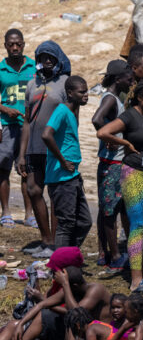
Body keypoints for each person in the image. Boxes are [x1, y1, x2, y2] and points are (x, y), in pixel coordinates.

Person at [97, 78, 143, 292]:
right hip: (135, 175)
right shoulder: (130, 115)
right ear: (140, 98)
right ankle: (136, 280)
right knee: (138, 225)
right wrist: (125, 143)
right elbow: (103, 132)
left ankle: (137, 265)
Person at [18, 41, 71, 259]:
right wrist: (22, 154)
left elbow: (71, 118)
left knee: (56, 194)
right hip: (34, 148)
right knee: (33, 190)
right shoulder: (32, 84)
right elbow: (28, 122)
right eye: (42, 57)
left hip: (56, 149)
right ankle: (46, 240)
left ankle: (56, 245)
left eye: (51, 57)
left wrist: (68, 149)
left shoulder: (66, 83)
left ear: (58, 59)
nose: (47, 61)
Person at [0, 265, 111, 340]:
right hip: (80, 331)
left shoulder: (96, 289)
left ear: (74, 286)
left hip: (99, 332)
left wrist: (66, 285)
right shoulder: (70, 289)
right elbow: (42, 304)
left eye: (64, 285)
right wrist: (21, 323)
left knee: (72, 321)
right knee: (43, 314)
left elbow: (77, 314)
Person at [91, 60, 134, 269]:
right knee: (110, 211)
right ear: (118, 79)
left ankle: (106, 252)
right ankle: (116, 256)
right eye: (128, 78)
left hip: (112, 162)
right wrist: (110, 137)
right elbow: (96, 119)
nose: (131, 81)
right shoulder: (110, 99)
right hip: (112, 163)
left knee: (109, 209)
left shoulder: (114, 98)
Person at [41, 75, 92, 249]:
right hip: (61, 177)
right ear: (70, 93)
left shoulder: (71, 112)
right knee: (66, 223)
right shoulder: (61, 111)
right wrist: (62, 161)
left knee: (84, 221)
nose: (86, 95)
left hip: (72, 175)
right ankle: (61, 266)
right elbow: (46, 135)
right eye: (82, 92)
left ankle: (68, 256)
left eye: (87, 91)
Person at [0, 29, 35, 228]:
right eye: (10, 44)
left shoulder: (33, 67)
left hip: (29, 127)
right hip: (7, 126)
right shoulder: (1, 69)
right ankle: (6, 212)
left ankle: (29, 214)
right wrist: (5, 109)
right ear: (5, 45)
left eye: (18, 44)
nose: (15, 47)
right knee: (3, 169)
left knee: (27, 170)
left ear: (23, 44)